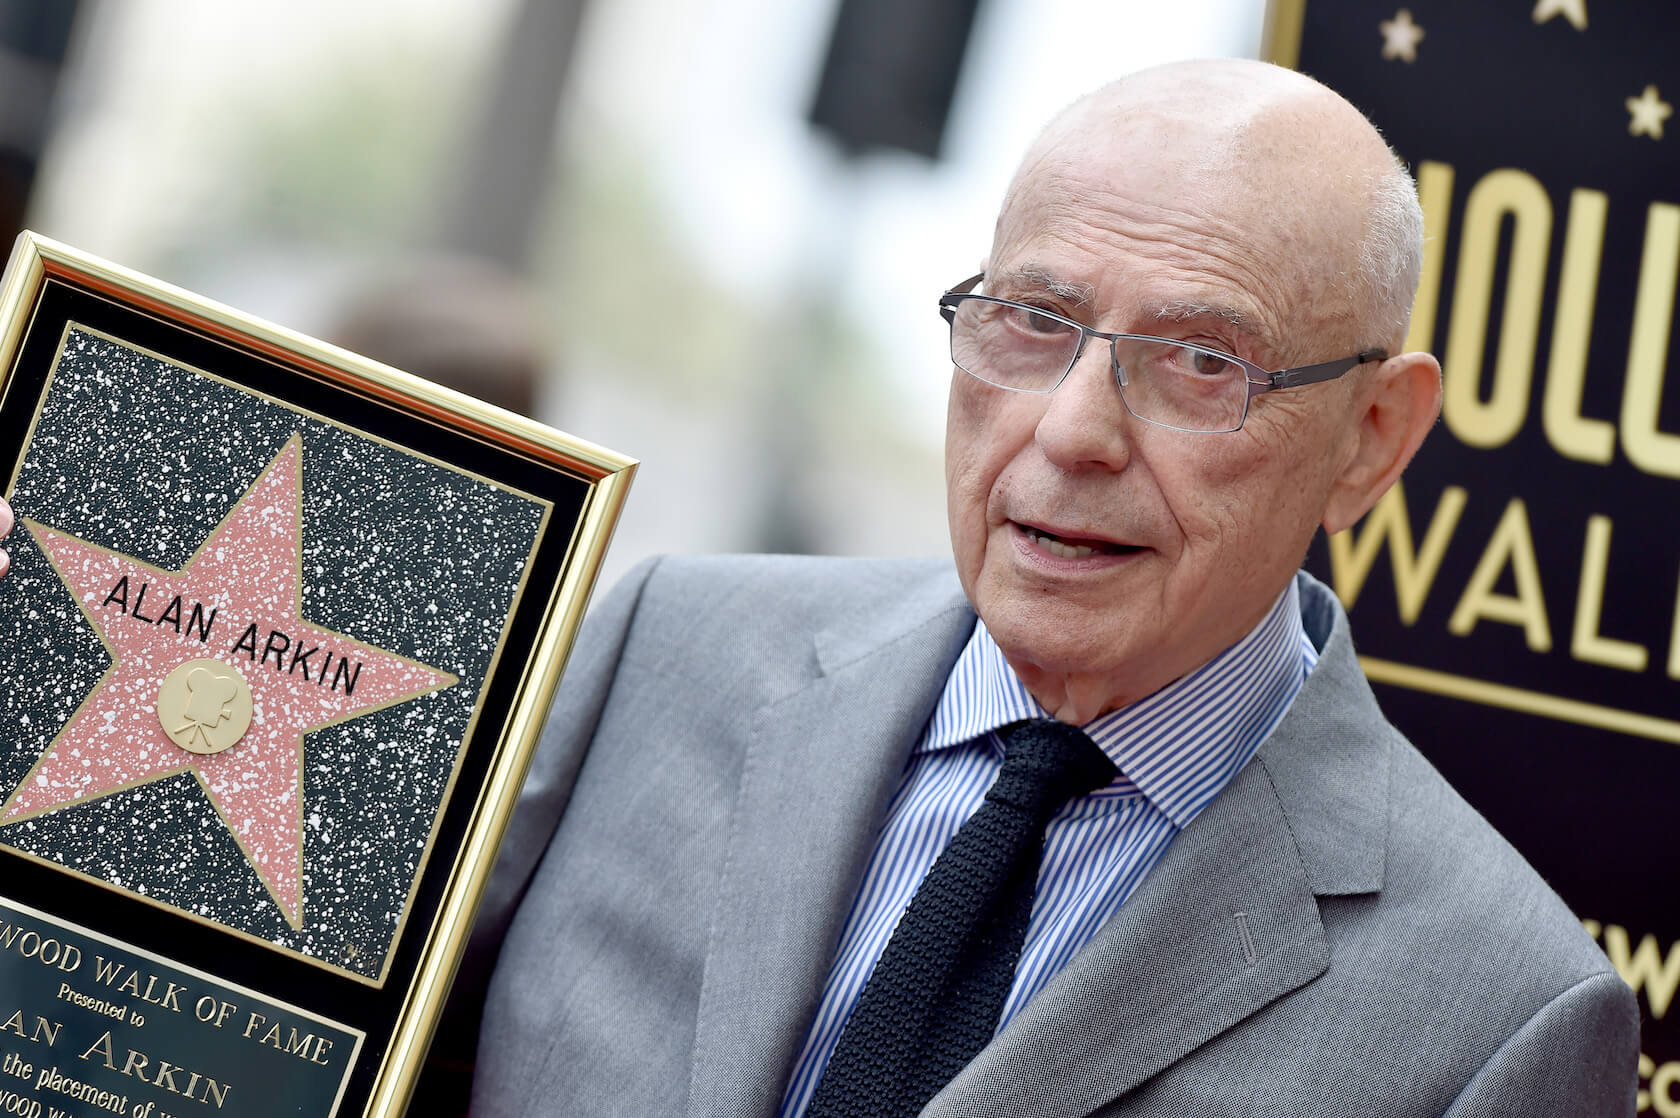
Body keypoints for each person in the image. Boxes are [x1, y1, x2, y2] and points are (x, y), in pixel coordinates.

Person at [0, 58, 1638, 1116]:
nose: (1071, 432)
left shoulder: (1503, 1017)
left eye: (1201, 363)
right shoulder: (657, 647)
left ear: (1370, 436)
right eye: (1031, 321)